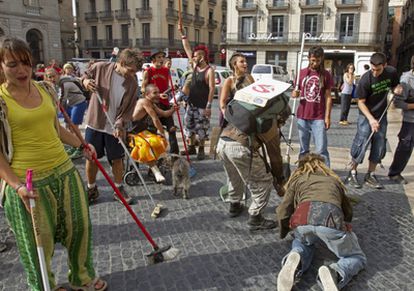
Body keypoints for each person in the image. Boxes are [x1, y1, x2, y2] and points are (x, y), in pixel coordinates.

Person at [0, 36, 106, 291]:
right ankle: (44, 285)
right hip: (27, 182)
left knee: (79, 228)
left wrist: (82, 145)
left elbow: (56, 129)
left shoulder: (45, 89)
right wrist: (16, 187)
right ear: (1, 66)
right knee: (38, 242)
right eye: (12, 64)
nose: (22, 70)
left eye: (25, 63)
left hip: (64, 171)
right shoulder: (1, 101)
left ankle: (82, 278)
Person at [276, 154, 366, 291]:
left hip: (302, 220)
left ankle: (297, 258)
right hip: (330, 220)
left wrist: (284, 232)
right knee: (356, 256)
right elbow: (347, 208)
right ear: (323, 166)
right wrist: (346, 223)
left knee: (303, 242)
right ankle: (336, 272)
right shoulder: (333, 180)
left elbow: (283, 210)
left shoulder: (298, 179)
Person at [82, 48, 142, 204]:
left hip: (114, 126)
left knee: (117, 159)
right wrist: (86, 82)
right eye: (130, 70)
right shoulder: (101, 68)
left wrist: (119, 123)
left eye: (135, 71)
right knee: (92, 158)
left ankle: (119, 188)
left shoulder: (133, 83)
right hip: (95, 122)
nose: (132, 74)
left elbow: (128, 109)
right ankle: (91, 188)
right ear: (121, 63)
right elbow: (84, 76)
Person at [345, 52, 402, 189]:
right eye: (373, 69)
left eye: (378, 70)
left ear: (385, 65)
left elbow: (395, 86)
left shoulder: (392, 72)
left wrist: (397, 89)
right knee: (361, 141)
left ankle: (370, 174)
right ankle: (352, 172)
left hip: (381, 114)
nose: (375, 73)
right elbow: (360, 103)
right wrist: (371, 119)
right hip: (366, 115)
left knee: (379, 143)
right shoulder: (366, 79)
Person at [292, 46, 333, 167]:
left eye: (318, 61)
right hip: (302, 115)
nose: (315, 63)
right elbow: (296, 92)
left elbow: (328, 97)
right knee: (303, 149)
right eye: (313, 60)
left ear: (322, 59)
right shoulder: (302, 73)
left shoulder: (325, 75)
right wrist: (295, 94)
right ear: (309, 58)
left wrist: (327, 117)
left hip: (318, 117)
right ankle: (302, 171)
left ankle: (326, 173)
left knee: (321, 149)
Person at [179, 27, 215, 160]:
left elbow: (212, 88)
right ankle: (191, 148)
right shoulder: (194, 66)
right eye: (194, 56)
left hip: (202, 105)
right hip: (191, 104)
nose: (194, 57)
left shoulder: (209, 71)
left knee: (202, 128)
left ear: (203, 56)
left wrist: (209, 106)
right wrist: (183, 35)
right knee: (189, 126)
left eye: (197, 55)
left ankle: (201, 149)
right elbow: (187, 49)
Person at [132, 84, 179, 182]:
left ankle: (154, 167)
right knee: (148, 144)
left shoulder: (151, 103)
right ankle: (155, 171)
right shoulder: (144, 102)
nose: (158, 95)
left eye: (158, 92)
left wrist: (173, 109)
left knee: (160, 142)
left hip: (142, 132)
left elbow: (164, 114)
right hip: (131, 132)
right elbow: (155, 119)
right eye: (155, 93)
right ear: (147, 94)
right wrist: (162, 133)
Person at [141, 49, 179, 155]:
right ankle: (153, 155)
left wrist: (172, 89)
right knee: (152, 130)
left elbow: (166, 87)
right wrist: (157, 95)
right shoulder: (148, 71)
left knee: (172, 129)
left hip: (165, 104)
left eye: (163, 57)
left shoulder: (166, 71)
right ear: (153, 59)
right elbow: (143, 90)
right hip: (153, 105)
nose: (162, 59)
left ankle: (174, 155)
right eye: (159, 57)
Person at [388, 55, 414, 185]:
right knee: (405, 147)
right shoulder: (406, 80)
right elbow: (397, 103)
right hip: (411, 121)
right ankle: (395, 173)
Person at [59, 63, 88, 159]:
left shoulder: (64, 82)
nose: (51, 79)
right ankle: (74, 146)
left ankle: (81, 147)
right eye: (49, 77)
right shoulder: (65, 80)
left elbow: (62, 98)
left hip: (79, 103)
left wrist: (58, 109)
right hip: (71, 104)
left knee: (74, 127)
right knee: (69, 127)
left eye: (53, 77)